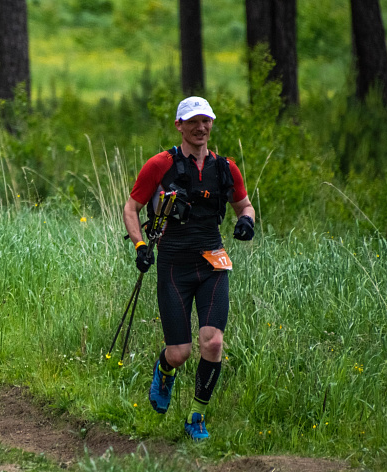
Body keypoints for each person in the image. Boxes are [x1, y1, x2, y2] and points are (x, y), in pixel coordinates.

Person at [122, 96, 255, 440]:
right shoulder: (159, 165)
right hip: (173, 266)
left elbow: (245, 206)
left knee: (212, 343)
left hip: (212, 264)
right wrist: (139, 247)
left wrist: (247, 223)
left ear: (211, 124)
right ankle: (165, 369)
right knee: (180, 353)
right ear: (179, 126)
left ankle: (197, 416)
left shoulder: (226, 167)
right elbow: (131, 208)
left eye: (206, 121)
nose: (200, 128)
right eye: (193, 121)